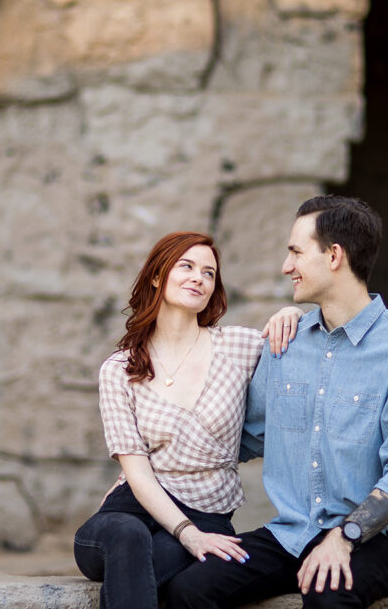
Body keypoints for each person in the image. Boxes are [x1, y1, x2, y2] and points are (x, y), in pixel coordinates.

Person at [165, 196, 388, 609]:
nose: (286, 266)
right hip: (290, 534)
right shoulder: (285, 342)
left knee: (326, 595)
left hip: (372, 542)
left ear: (334, 256)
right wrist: (144, 475)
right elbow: (239, 439)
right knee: (189, 588)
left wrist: (344, 537)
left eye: (296, 251)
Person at [73, 231, 304, 609]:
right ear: (156, 276)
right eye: (187, 266)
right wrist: (186, 533)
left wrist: (291, 313)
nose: (199, 277)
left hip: (207, 513)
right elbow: (138, 471)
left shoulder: (239, 347)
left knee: (148, 569)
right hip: (130, 509)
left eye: (209, 273)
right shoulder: (120, 368)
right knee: (128, 535)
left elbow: (305, 349)